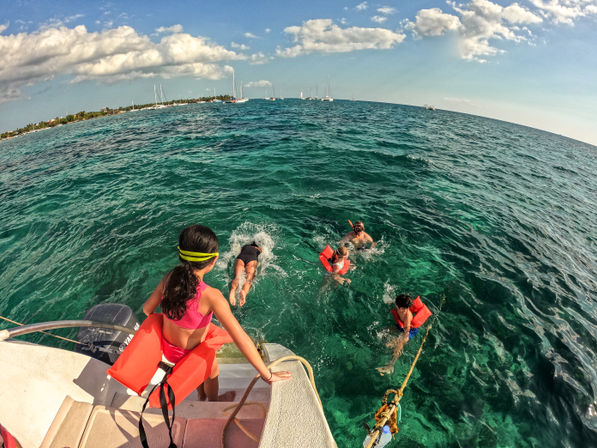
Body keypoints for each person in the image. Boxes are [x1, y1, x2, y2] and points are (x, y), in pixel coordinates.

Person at [142, 225, 290, 401]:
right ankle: (212, 400)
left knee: (193, 368)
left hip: (171, 352)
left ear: (181, 255)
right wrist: (267, 375)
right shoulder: (212, 296)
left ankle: (200, 395)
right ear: (213, 261)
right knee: (212, 373)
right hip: (194, 355)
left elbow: (147, 310)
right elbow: (240, 338)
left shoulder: (169, 277)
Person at [376, 294, 432, 376]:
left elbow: (406, 333)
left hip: (409, 330)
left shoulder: (407, 317)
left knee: (397, 347)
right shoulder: (398, 305)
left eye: (397, 305)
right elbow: (392, 302)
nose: (396, 305)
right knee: (382, 331)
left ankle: (390, 366)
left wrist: (400, 342)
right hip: (400, 325)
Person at [229, 241, 262, 306]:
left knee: (236, 277)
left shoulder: (244, 247)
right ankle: (244, 292)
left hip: (241, 257)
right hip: (252, 258)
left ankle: (233, 290)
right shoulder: (258, 249)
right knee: (248, 279)